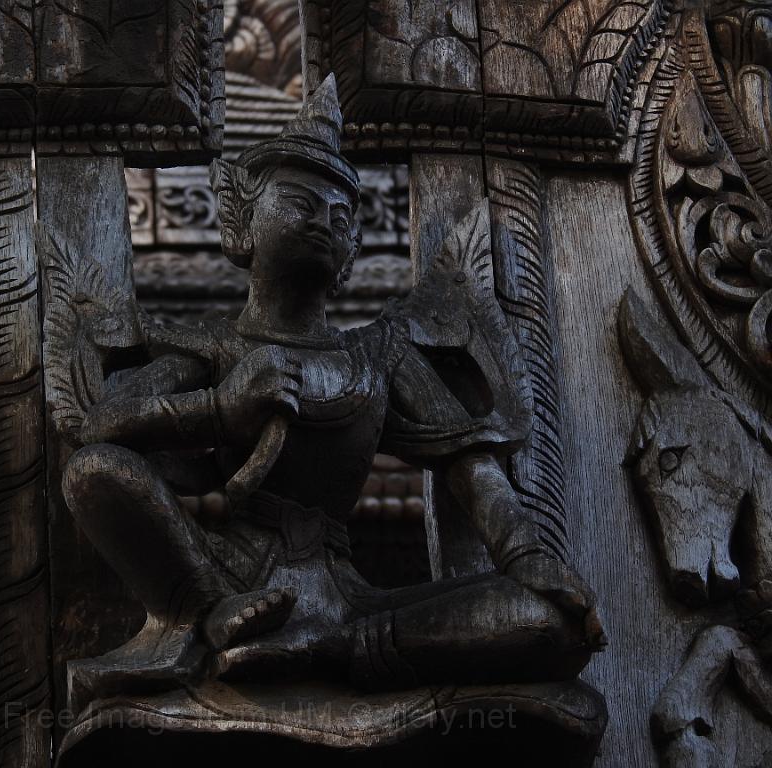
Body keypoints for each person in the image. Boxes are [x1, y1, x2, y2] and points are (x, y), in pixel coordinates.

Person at [62, 75, 604, 702]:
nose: (322, 223)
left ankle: (329, 648)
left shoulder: (377, 354)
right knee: (93, 470)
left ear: (351, 251)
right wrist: (221, 408)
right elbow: (102, 425)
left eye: (341, 217)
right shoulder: (214, 346)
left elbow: (471, 468)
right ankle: (204, 613)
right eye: (300, 204)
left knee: (548, 620)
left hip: (344, 594)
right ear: (242, 224)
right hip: (228, 571)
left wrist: (528, 559)